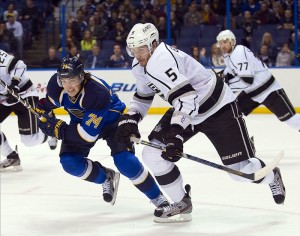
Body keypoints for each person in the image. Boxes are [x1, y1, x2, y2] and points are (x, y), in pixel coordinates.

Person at [115, 23, 286, 223]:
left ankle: (271, 176)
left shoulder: (161, 60)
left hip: (218, 108)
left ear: (153, 44)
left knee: (240, 172)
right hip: (187, 108)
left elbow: (187, 98)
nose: (137, 55)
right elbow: (143, 96)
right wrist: (132, 117)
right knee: (152, 154)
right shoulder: (140, 66)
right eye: (133, 50)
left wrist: (176, 133)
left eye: (141, 49)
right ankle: (181, 202)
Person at [36, 55, 169, 210]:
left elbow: (87, 135)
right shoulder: (56, 86)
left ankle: (158, 198)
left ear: (81, 77)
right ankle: (105, 177)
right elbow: (48, 104)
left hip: (112, 123)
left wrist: (59, 129)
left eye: (72, 80)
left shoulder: (97, 92)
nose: (68, 86)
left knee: (125, 161)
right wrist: (43, 114)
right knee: (69, 163)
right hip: (81, 123)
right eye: (64, 81)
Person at [216, 30, 300, 132]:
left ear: (232, 42)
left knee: (292, 120)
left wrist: (226, 87)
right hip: (252, 93)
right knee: (232, 116)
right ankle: (245, 142)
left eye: (225, 42)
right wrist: (222, 74)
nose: (222, 45)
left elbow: (247, 80)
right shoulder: (227, 56)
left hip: (269, 90)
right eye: (220, 43)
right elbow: (231, 68)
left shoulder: (239, 52)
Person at [0, 49, 57, 172]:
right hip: (4, 99)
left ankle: (50, 134)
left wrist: (14, 85)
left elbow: (19, 65)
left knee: (29, 141)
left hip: (24, 95)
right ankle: (12, 156)